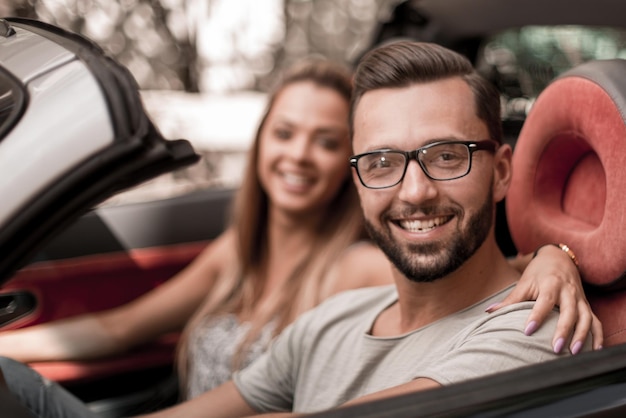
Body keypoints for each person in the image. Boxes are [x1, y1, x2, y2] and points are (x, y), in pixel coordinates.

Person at [0, 50, 600, 418]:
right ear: (359, 180)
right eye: (382, 162)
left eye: (446, 156)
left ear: (501, 172)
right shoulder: (331, 320)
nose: (414, 191)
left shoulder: (540, 325)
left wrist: (558, 254)